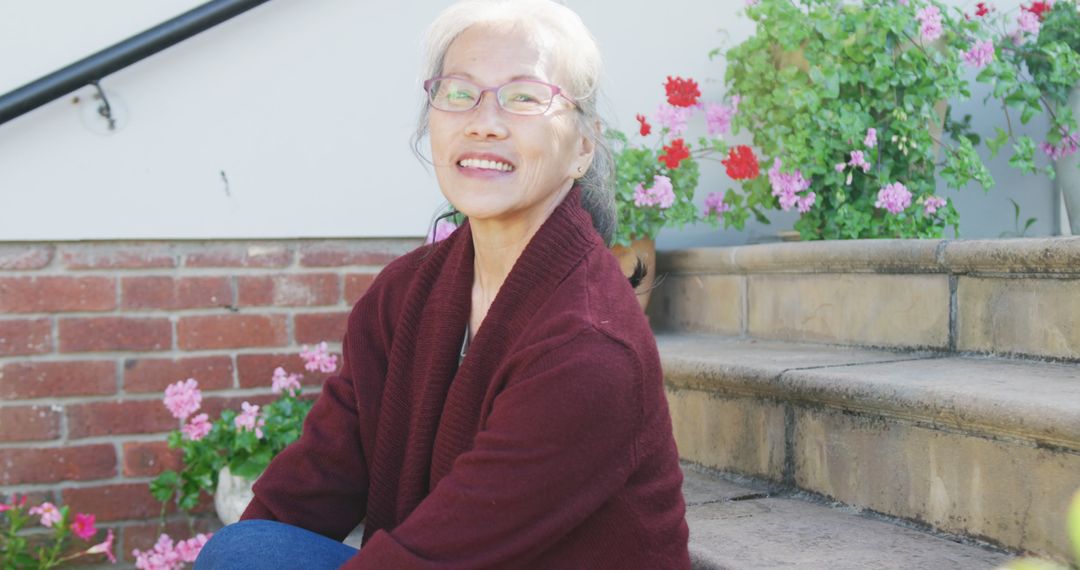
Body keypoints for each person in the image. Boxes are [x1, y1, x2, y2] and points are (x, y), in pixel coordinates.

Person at [195, 0, 690, 567]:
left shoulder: (589, 345)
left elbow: (437, 556)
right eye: (459, 93)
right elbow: (313, 484)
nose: (483, 120)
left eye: (525, 96)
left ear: (582, 147)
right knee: (246, 551)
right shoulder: (403, 296)